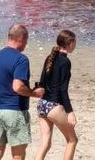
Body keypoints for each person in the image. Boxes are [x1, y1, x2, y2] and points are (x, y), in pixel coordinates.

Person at [0, 24, 45, 160]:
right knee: (18, 154)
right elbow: (17, 87)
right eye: (26, 41)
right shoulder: (21, 59)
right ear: (21, 39)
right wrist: (34, 93)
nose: (26, 45)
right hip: (15, 111)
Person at [33, 30, 78, 160]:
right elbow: (63, 90)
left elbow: (41, 82)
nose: (75, 45)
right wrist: (70, 111)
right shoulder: (65, 62)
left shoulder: (50, 57)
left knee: (45, 143)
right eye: (75, 42)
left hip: (42, 104)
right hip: (53, 106)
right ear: (70, 43)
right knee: (72, 140)